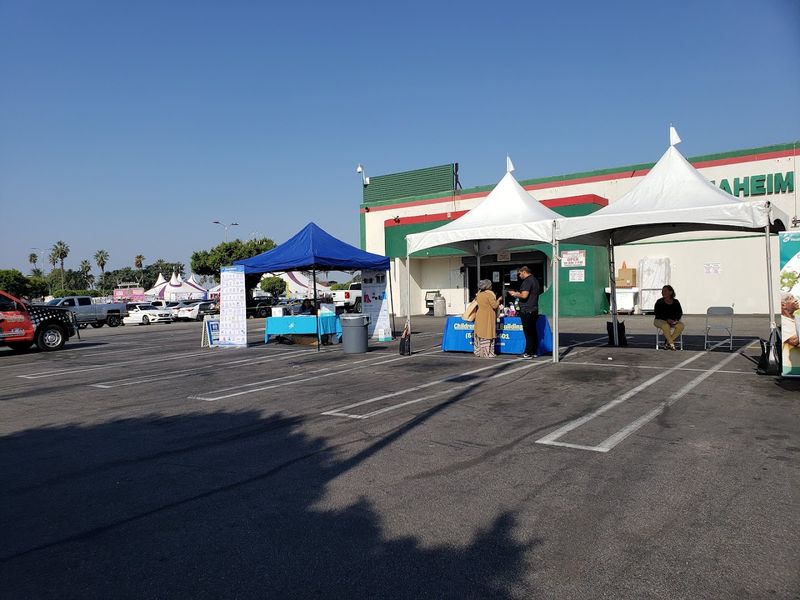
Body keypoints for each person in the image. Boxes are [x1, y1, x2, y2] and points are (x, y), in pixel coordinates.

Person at [508, 266, 540, 358]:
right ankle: (534, 351)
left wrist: (515, 294)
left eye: (519, 273)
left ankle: (528, 352)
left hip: (526, 310)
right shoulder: (535, 280)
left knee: (528, 332)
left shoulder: (527, 281)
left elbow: (524, 295)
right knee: (533, 331)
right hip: (533, 309)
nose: (519, 275)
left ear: (524, 272)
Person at [473, 279, 501, 358]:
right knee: (488, 333)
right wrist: (498, 300)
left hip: (480, 315)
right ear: (488, 286)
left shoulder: (478, 294)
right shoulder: (489, 294)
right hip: (488, 316)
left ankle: (479, 352)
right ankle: (487, 353)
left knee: (480, 333)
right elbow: (494, 305)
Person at [654, 285, 684, 350]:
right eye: (662, 291)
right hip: (659, 320)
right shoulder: (659, 301)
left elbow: (679, 313)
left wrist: (675, 320)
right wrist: (667, 319)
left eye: (665, 291)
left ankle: (667, 342)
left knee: (681, 326)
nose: (662, 292)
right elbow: (657, 313)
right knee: (666, 326)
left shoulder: (676, 302)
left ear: (670, 292)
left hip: (672, 321)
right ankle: (671, 344)